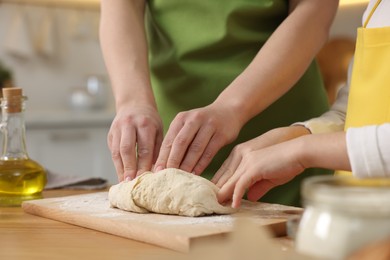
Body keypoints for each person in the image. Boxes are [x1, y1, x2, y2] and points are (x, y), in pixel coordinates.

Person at [99, 0, 338, 206]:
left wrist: (231, 106)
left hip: (282, 135)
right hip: (176, 139)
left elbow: (314, 11)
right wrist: (133, 101)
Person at [214, 0, 390, 209]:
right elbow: (355, 110)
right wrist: (300, 134)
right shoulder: (377, 7)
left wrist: (302, 151)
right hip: (361, 219)